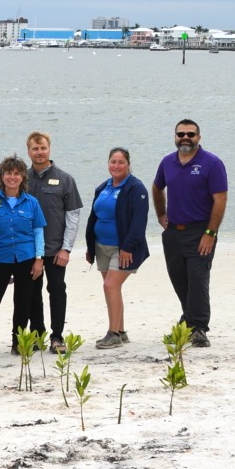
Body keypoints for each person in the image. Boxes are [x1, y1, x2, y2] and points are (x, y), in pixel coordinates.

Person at [152, 119, 228, 348]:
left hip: (200, 232)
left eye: (190, 134)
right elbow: (157, 188)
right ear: (175, 136)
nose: (185, 138)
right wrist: (161, 214)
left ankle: (199, 329)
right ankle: (188, 321)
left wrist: (210, 233)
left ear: (199, 137)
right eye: (181, 134)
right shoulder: (167, 162)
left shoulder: (212, 163)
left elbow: (220, 199)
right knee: (179, 280)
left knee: (197, 280)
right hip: (173, 232)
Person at [0, 156, 46, 358]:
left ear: (23, 176)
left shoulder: (32, 203)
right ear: (2, 176)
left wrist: (39, 259)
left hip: (26, 258)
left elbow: (39, 232)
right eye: (8, 173)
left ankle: (18, 343)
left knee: (23, 303)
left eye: (16, 173)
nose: (12, 177)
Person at [23, 131, 83, 354]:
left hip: (56, 249)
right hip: (28, 250)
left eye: (43, 148)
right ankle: (37, 335)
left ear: (49, 149)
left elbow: (73, 216)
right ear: (28, 151)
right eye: (35, 149)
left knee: (57, 290)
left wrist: (66, 248)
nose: (40, 152)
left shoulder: (65, 179)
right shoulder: (21, 179)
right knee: (31, 293)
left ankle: (57, 337)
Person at [85, 148, 150, 349]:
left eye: (121, 162)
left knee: (110, 286)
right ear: (108, 163)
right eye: (113, 161)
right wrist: (89, 247)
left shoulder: (136, 188)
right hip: (101, 246)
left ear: (128, 164)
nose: (116, 166)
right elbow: (93, 217)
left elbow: (139, 222)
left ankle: (112, 334)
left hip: (123, 249)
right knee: (112, 288)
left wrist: (127, 247)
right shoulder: (103, 187)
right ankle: (121, 331)